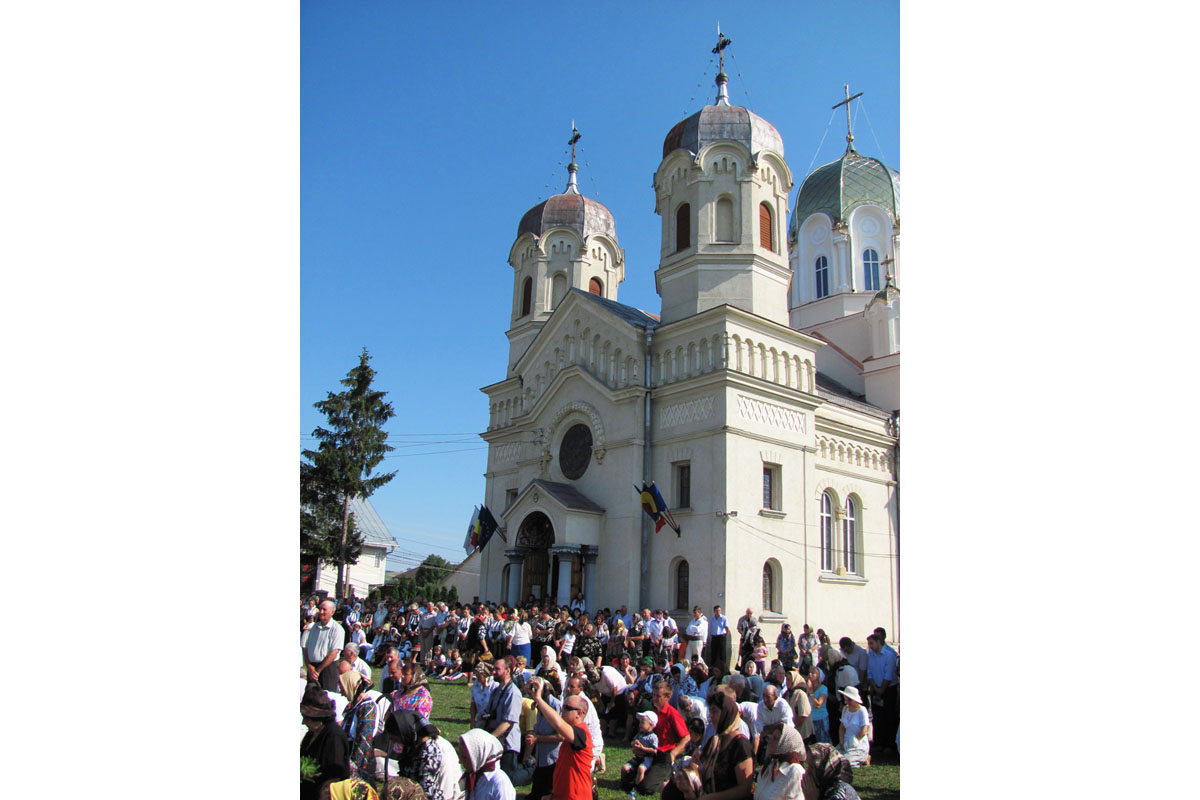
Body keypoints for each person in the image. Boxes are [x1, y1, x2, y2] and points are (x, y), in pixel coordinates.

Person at [667, 693, 753, 800]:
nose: (711, 716)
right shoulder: (715, 741)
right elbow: (700, 766)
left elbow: (745, 789)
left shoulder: (740, 744)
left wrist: (712, 797)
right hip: (708, 794)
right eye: (711, 711)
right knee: (669, 791)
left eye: (715, 711)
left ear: (726, 713)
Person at [528, 678, 593, 800]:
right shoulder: (571, 736)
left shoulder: (581, 733)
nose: (562, 710)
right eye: (563, 707)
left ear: (579, 713)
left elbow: (557, 723)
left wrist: (538, 699)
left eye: (567, 708)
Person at [620, 681, 689, 795]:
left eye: (658, 696)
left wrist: (674, 753)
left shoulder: (672, 714)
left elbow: (686, 737)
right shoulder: (653, 713)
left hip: (664, 756)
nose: (654, 699)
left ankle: (667, 776)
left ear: (668, 697)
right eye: (654, 695)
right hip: (651, 754)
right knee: (627, 780)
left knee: (645, 788)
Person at [482, 655, 533, 786]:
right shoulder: (496, 690)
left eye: (497, 669)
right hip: (495, 741)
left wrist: (490, 739)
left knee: (508, 779)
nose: (493, 672)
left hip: (507, 744)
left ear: (507, 671)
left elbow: (508, 722)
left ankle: (533, 770)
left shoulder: (513, 692)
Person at [381, 709, 446, 800]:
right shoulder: (411, 745)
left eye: (394, 738)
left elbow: (426, 791)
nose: (393, 741)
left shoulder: (429, 752)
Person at [301, 684, 350, 800]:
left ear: (318, 718)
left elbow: (335, 775)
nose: (303, 722)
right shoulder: (311, 734)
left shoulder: (334, 736)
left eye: (306, 718)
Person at [339, 670, 379, 784]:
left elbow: (363, 743)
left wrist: (353, 772)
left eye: (343, 688)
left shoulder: (367, 708)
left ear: (351, 686)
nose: (342, 693)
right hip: (348, 759)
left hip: (360, 765)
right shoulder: (353, 705)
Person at [458, 728, 516, 800]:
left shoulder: (499, 782)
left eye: (464, 757)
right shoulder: (473, 777)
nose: (460, 761)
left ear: (477, 756)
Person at [865, 633, 898, 757]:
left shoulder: (889, 655)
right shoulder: (871, 655)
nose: (870, 646)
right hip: (876, 688)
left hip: (888, 689)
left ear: (879, 642)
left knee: (889, 716)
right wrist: (875, 688)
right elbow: (870, 673)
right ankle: (879, 742)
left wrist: (881, 689)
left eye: (871, 643)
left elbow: (888, 675)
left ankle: (890, 744)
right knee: (878, 717)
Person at [753, 726, 808, 800]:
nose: (770, 741)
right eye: (771, 737)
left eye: (775, 739)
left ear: (787, 744)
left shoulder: (795, 772)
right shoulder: (770, 766)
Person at [304, 600, 347, 691]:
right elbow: (306, 649)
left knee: (326, 699)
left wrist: (318, 670)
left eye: (324, 609)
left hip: (327, 669)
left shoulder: (337, 629)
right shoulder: (314, 628)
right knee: (310, 700)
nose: (321, 612)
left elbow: (333, 653)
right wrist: (310, 667)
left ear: (332, 612)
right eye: (320, 609)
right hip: (313, 669)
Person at [755, 684, 794, 763]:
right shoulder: (760, 706)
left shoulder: (782, 705)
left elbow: (787, 725)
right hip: (770, 739)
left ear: (775, 697)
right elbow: (759, 728)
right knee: (768, 762)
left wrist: (769, 728)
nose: (765, 699)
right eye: (763, 696)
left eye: (768, 697)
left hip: (784, 738)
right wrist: (777, 725)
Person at [622, 711, 659, 790]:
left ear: (651, 725)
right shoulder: (640, 734)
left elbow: (654, 750)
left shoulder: (653, 737)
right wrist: (634, 743)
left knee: (641, 769)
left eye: (642, 723)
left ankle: (637, 787)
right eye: (640, 722)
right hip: (637, 757)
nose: (640, 725)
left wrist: (643, 748)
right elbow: (632, 741)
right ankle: (624, 784)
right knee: (624, 768)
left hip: (647, 758)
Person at [836, 687, 870, 768]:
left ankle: (864, 758)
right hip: (845, 743)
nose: (847, 702)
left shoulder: (862, 710)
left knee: (845, 763)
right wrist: (841, 742)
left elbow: (864, 730)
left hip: (858, 744)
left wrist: (852, 742)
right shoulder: (845, 709)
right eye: (846, 700)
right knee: (833, 759)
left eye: (849, 700)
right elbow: (842, 728)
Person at [469, 661, 496, 728]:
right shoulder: (476, 683)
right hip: (480, 719)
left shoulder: (494, 685)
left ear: (485, 674)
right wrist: (472, 720)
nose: (476, 676)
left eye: (479, 674)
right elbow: (473, 703)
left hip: (492, 721)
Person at [807, 667, 830, 745]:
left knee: (823, 743)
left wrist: (811, 693)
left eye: (813, 673)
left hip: (820, 719)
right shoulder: (807, 688)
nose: (810, 674)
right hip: (810, 720)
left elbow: (818, 704)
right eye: (809, 672)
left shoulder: (823, 688)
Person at [707, 606, 730, 674]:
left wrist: (725, 635)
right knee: (713, 653)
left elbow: (727, 628)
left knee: (722, 654)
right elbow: (709, 626)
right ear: (714, 611)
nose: (718, 612)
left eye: (719, 610)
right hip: (714, 637)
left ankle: (724, 669)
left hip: (721, 636)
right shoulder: (712, 618)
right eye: (717, 610)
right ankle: (712, 669)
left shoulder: (723, 618)